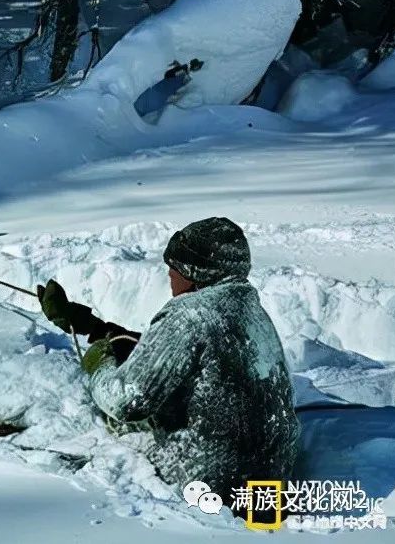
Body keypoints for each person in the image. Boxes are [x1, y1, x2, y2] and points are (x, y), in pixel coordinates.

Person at [38, 217, 299, 510]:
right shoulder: (247, 308)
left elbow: (128, 401)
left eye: (173, 268)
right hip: (271, 479)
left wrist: (99, 363)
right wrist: (96, 328)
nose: (170, 276)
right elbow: (186, 350)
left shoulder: (189, 314)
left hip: (210, 484)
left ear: (193, 271)